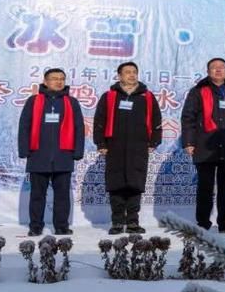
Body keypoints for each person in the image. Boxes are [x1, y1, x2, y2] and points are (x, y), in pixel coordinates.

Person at [181, 57, 225, 233]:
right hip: (205, 145)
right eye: (214, 67)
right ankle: (203, 222)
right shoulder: (198, 91)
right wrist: (189, 142)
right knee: (204, 186)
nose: (218, 70)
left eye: (222, 67)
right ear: (208, 71)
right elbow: (188, 118)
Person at [93, 62, 162, 235]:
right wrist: (101, 143)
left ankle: (132, 222)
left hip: (138, 147)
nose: (131, 75)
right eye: (127, 72)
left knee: (135, 185)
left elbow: (156, 121)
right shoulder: (109, 96)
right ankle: (117, 222)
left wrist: (154, 141)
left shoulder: (146, 97)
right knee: (116, 185)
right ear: (119, 76)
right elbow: (99, 121)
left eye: (134, 72)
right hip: (114, 147)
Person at [17, 68, 85, 236]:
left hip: (63, 155)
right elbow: (24, 126)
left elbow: (79, 128)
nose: (59, 81)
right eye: (54, 78)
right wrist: (24, 150)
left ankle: (61, 226)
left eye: (62, 78)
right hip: (38, 154)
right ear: (45, 81)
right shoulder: (34, 101)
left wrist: (77, 151)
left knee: (62, 195)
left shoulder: (71, 102)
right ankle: (35, 226)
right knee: (37, 195)